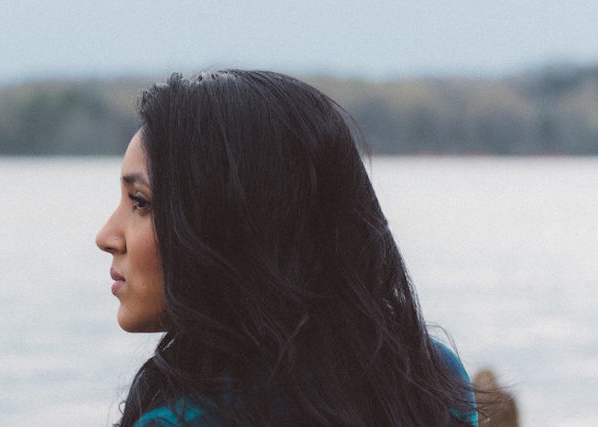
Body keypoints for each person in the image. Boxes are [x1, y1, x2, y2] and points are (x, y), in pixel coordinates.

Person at [95, 70, 478, 426]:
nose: (106, 236)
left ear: (231, 222)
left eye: (140, 201)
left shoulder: (181, 419)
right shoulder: (430, 379)